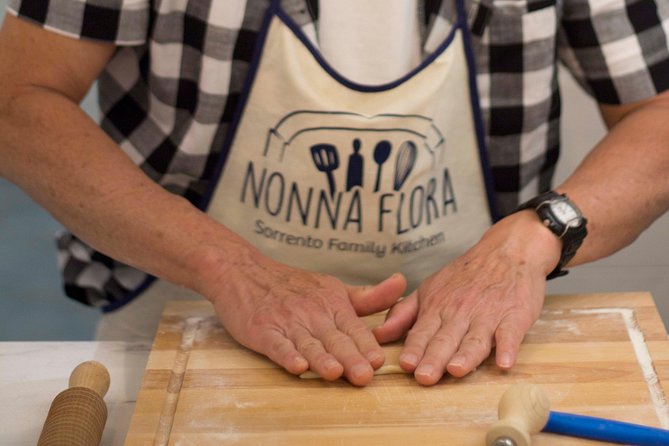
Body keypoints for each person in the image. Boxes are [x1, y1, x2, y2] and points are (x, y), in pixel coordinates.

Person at [0, 0, 667, 387]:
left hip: (468, 344)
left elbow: (656, 115)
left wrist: (530, 242)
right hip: (185, 320)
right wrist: (229, 268)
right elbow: (16, 98)